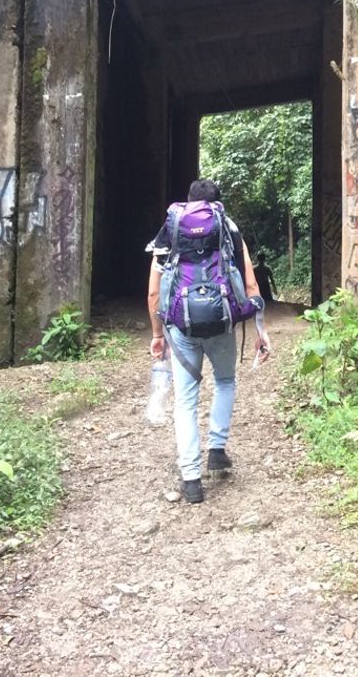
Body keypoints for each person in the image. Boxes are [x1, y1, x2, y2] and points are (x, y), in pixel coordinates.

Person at [147, 179, 269, 504]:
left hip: (180, 327)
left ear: (188, 202)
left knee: (185, 402)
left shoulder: (171, 228)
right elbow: (249, 280)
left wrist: (158, 334)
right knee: (226, 381)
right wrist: (260, 330)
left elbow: (154, 290)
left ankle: (191, 481)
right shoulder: (227, 227)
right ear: (218, 204)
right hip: (221, 324)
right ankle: (216, 449)